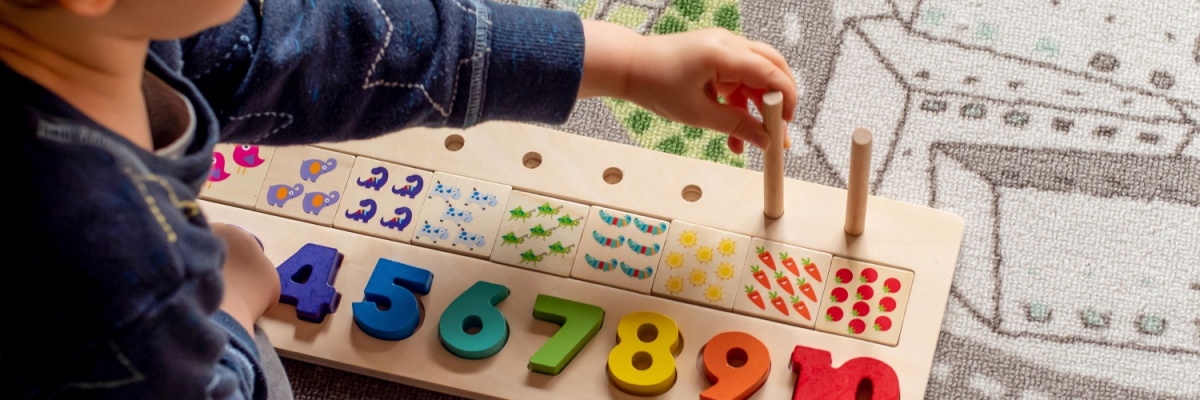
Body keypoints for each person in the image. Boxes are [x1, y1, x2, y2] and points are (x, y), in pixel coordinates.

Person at [0, 0, 797, 399]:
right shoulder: (114, 270)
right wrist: (229, 316)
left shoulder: (102, 25)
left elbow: (328, 46)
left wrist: (622, 62)